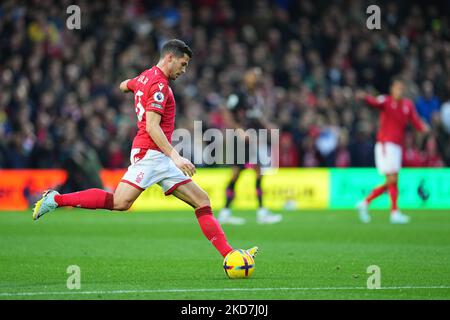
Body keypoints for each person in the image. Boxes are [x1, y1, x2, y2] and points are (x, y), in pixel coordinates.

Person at [32, 39, 258, 260]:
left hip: (158, 156)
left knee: (202, 201)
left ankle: (230, 255)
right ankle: (56, 200)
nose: (184, 70)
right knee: (119, 202)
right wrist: (176, 156)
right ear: (170, 58)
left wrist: (132, 86)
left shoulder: (145, 77)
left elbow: (124, 85)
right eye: (183, 64)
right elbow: (152, 125)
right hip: (150, 155)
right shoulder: (160, 85)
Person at [355, 77, 430, 224]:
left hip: (397, 146)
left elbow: (415, 121)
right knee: (392, 179)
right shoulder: (386, 101)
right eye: (397, 88)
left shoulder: (408, 105)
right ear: (392, 89)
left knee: (393, 180)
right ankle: (372, 205)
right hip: (385, 145)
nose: (399, 90)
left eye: (401, 88)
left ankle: (389, 211)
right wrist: (365, 97)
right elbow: (374, 102)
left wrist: (423, 128)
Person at [218, 67, 282, 225]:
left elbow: (256, 116)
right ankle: (261, 212)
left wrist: (268, 126)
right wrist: (239, 130)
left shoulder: (255, 97)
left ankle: (226, 212)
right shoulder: (239, 94)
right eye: (254, 76)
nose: (257, 79)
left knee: (238, 174)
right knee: (256, 171)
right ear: (247, 78)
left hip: (250, 139)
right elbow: (226, 111)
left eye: (259, 76)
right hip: (241, 140)